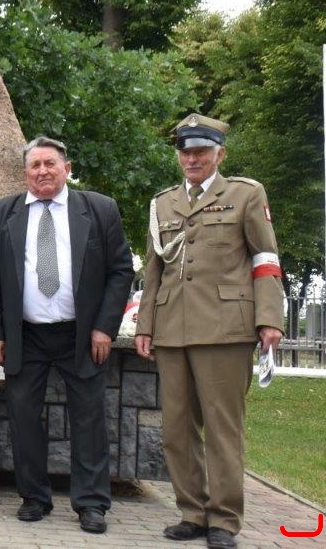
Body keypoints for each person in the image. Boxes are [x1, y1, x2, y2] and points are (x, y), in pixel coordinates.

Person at [135, 114, 284, 549]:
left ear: (220, 154)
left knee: (222, 429)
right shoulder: (163, 203)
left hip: (225, 329)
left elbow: (265, 258)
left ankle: (224, 519)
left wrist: (269, 318)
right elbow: (154, 270)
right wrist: (146, 324)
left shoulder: (245, 194)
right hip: (172, 329)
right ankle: (192, 512)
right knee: (176, 429)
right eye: (185, 152)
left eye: (201, 151)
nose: (192, 159)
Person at [0, 136, 133, 534]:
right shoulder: (1, 214)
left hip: (81, 336)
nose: (43, 171)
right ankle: (33, 497)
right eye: (35, 165)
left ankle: (91, 503)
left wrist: (104, 328)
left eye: (50, 163)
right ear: (25, 172)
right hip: (25, 336)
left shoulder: (100, 209)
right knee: (24, 417)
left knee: (89, 419)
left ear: (67, 168)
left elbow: (120, 271)